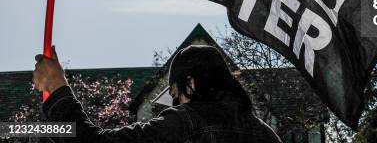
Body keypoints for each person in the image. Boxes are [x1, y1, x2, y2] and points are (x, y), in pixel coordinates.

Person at [33, 45, 282, 143]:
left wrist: (56, 88)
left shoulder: (188, 121)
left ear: (191, 83)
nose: (174, 104)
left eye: (175, 95)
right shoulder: (267, 135)